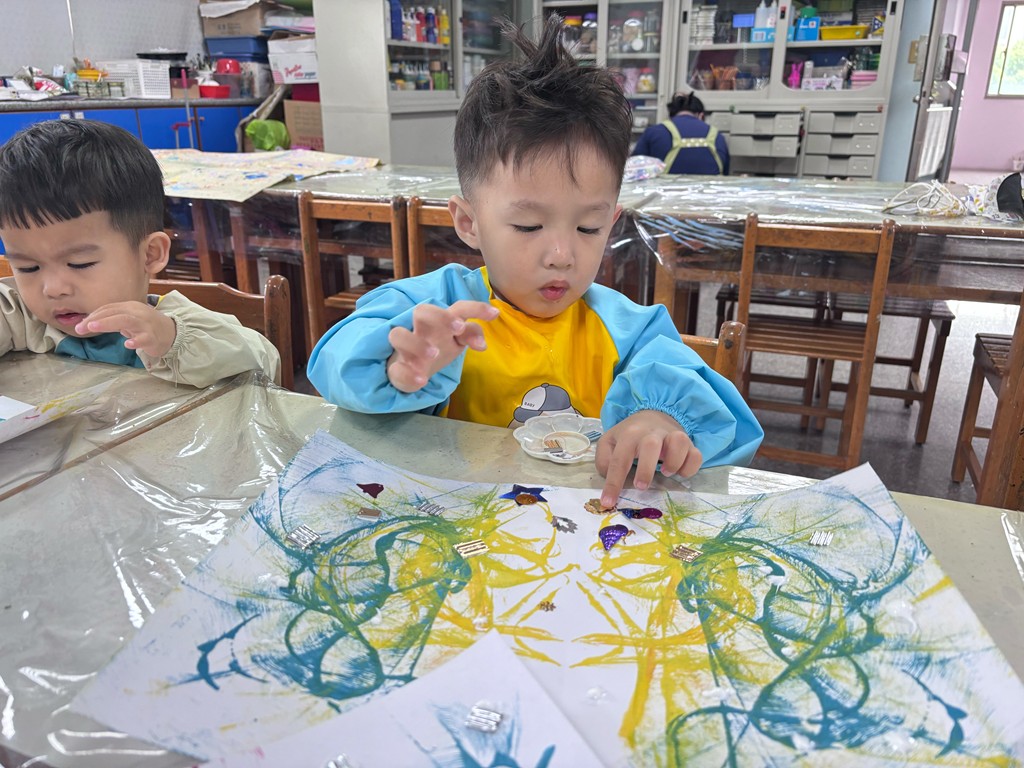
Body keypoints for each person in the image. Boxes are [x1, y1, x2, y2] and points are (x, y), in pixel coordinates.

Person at [307, 16, 762, 505]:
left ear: (612, 222)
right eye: (528, 226)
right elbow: (335, 365)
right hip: (457, 523)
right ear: (469, 223)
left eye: (588, 228)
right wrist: (397, 366)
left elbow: (717, 420)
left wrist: (662, 420)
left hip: (578, 531)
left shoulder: (632, 331)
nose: (562, 256)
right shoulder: (433, 309)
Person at [0, 119, 281, 387]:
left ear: (150, 255)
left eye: (79, 263)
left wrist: (171, 340)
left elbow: (265, 361)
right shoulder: (27, 321)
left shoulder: (175, 326)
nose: (53, 289)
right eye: (28, 268)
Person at [632, 91, 730, 175]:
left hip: (665, 191)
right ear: (701, 116)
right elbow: (725, 173)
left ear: (670, 116)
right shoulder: (717, 136)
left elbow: (634, 169)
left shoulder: (654, 132)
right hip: (708, 191)